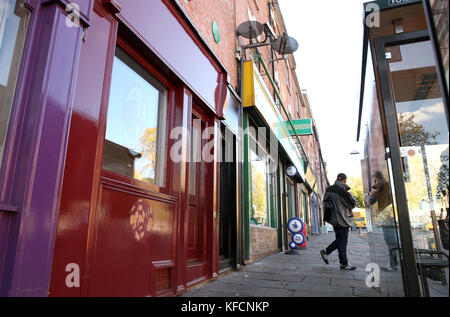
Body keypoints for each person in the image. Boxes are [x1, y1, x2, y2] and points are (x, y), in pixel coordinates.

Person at [320, 173, 357, 270]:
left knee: (340, 240)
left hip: (334, 219)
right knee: (342, 242)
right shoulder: (342, 191)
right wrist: (352, 196)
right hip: (342, 219)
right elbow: (352, 204)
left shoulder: (329, 189)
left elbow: (325, 202)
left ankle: (326, 252)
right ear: (344, 181)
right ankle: (343, 263)